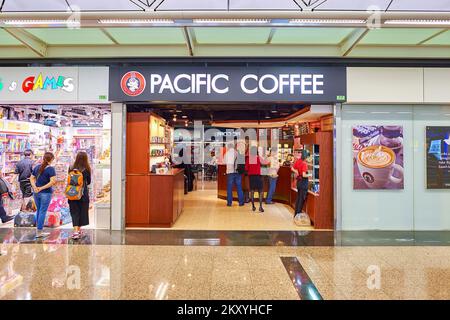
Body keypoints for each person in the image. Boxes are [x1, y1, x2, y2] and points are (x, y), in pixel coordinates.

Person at [30, 152, 56, 239]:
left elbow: (31, 178)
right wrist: (41, 188)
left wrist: (35, 187)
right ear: (51, 159)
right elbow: (52, 181)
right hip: (46, 193)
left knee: (39, 211)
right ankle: (39, 231)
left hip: (36, 193)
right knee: (42, 211)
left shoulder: (37, 167)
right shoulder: (51, 169)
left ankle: (38, 230)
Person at [68, 151, 92, 240]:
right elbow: (89, 182)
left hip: (72, 192)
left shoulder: (71, 167)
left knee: (74, 212)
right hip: (83, 194)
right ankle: (78, 230)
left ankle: (75, 231)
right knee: (82, 211)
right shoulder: (86, 169)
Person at [245, 146, 267, 212]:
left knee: (252, 191)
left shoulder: (249, 159)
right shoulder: (259, 158)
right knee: (260, 191)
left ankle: (253, 206)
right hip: (258, 176)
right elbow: (264, 163)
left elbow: (246, 168)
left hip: (251, 177)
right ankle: (260, 206)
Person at [292, 150, 312, 217]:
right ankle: (298, 215)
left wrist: (297, 172)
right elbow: (304, 175)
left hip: (299, 182)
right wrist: (310, 175)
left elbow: (292, 168)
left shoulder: (298, 161)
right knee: (301, 200)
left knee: (298, 199)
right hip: (303, 182)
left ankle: (295, 214)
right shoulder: (304, 163)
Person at [224, 142, 244, 206]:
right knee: (239, 187)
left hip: (230, 172)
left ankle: (229, 203)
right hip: (238, 172)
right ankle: (241, 202)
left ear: (228, 147)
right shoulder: (237, 153)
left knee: (229, 188)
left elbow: (224, 162)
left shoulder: (226, 154)